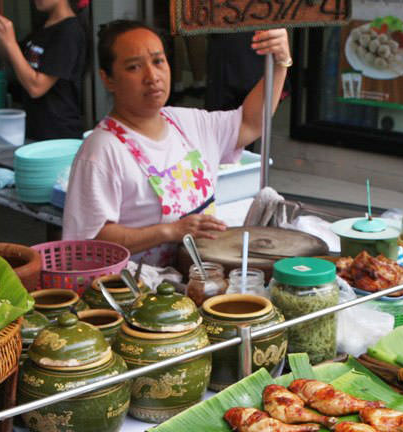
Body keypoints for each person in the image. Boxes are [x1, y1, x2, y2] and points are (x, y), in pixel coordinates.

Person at [62, 20, 291, 266]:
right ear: (108, 79)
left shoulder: (185, 123)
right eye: (134, 67)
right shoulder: (101, 150)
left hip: (197, 280)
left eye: (158, 61)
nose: (152, 77)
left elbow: (250, 123)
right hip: (136, 293)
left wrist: (279, 64)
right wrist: (170, 231)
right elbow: (88, 242)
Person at [0, 2, 86, 141]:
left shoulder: (69, 32)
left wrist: (10, 42)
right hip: (36, 130)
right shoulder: (44, 27)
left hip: (59, 134)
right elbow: (11, 57)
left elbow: (36, 87)